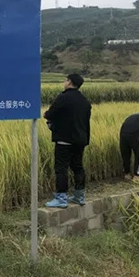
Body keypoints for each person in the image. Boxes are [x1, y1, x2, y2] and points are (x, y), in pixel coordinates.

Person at [43, 73, 92, 208]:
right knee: (78, 167)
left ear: (69, 82)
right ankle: (79, 196)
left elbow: (50, 114)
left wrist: (46, 115)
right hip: (81, 140)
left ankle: (61, 199)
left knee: (61, 168)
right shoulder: (84, 100)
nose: (64, 82)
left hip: (65, 139)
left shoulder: (63, 97)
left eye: (65, 80)